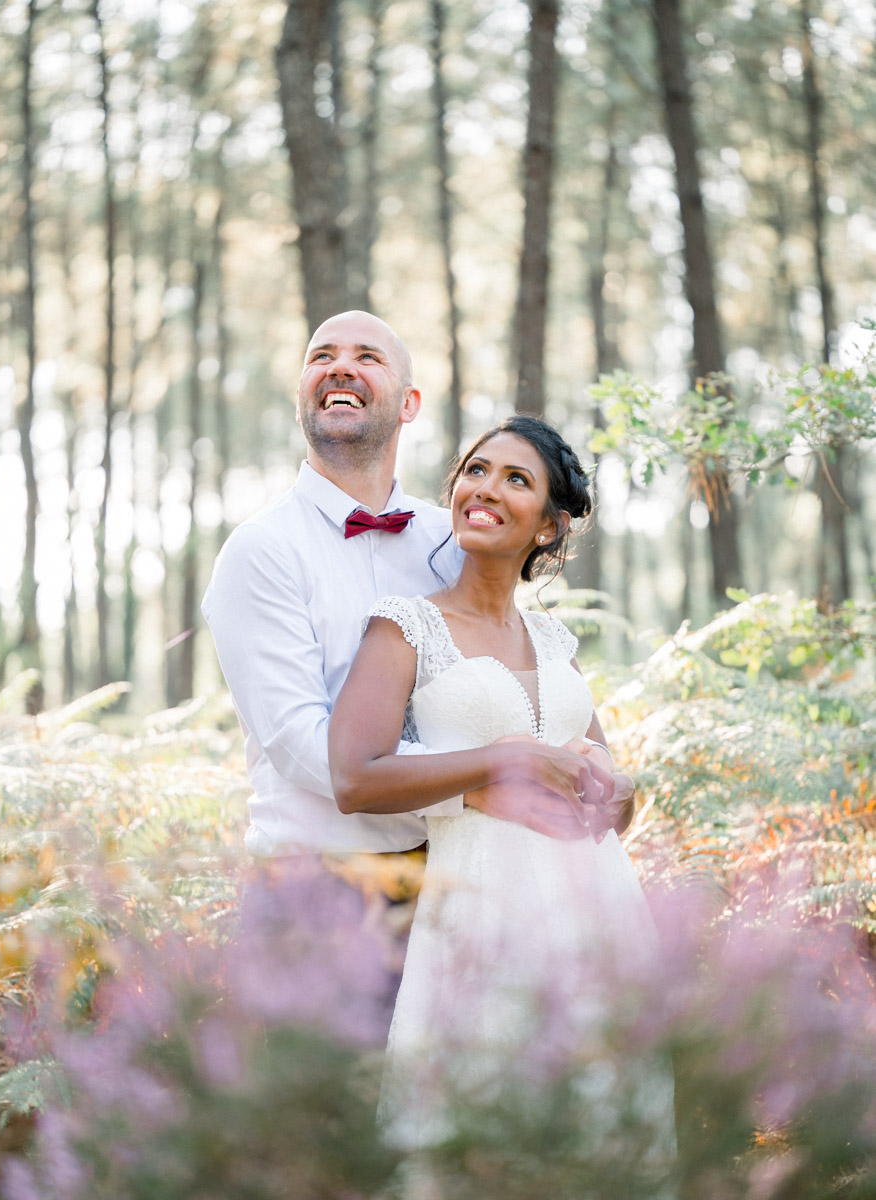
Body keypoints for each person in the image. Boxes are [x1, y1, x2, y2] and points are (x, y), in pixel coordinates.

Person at [328, 415, 670, 1152]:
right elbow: (354, 777)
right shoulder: (405, 627)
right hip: (481, 906)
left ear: (547, 528)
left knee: (602, 1120)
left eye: (515, 480)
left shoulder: (553, 641)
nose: (485, 489)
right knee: (482, 1117)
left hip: (598, 910)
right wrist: (503, 765)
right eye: (476, 470)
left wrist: (618, 790)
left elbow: (611, 798)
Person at [203, 312, 629, 872]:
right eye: (322, 357)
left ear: (409, 405)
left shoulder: (454, 538)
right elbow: (302, 743)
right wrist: (480, 788)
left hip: (456, 872)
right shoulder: (260, 550)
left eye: (368, 358)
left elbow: (500, 685)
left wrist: (592, 764)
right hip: (319, 881)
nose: (341, 369)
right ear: (302, 392)